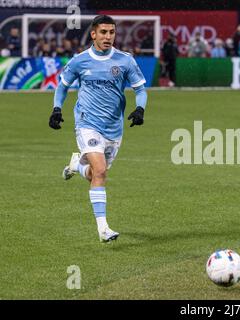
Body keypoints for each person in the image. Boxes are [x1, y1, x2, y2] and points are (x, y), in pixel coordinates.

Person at [48, 15, 148, 242]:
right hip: (87, 124)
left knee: (95, 174)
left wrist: (140, 109)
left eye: (111, 32)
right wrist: (56, 109)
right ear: (93, 34)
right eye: (103, 32)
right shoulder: (79, 61)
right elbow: (62, 86)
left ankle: (76, 165)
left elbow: (140, 90)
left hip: (114, 127)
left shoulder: (125, 61)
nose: (108, 37)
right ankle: (103, 229)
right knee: (101, 171)